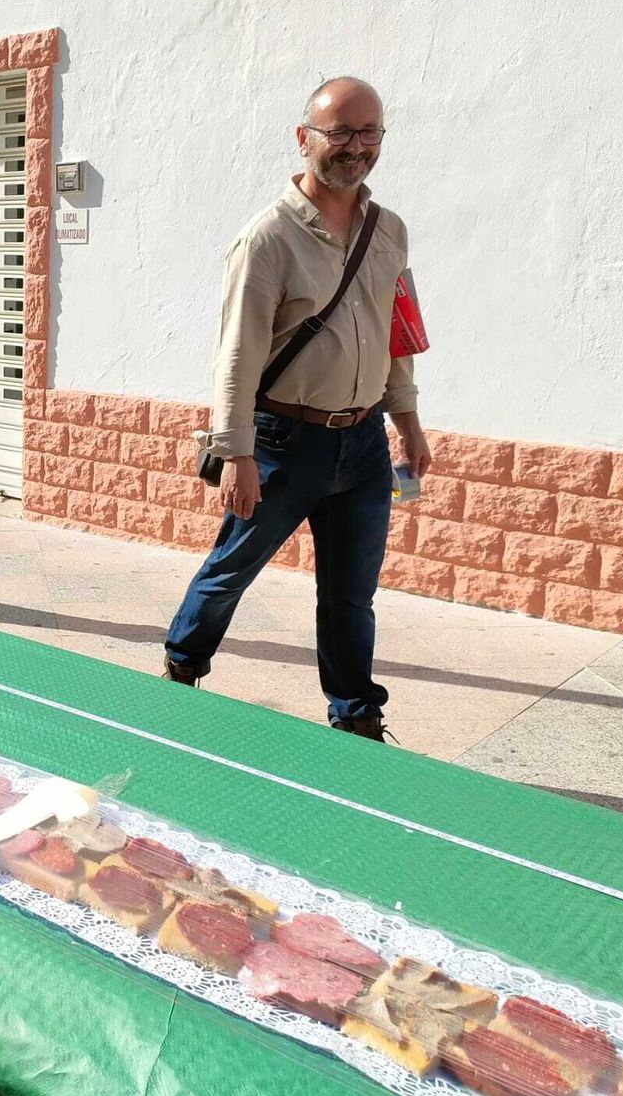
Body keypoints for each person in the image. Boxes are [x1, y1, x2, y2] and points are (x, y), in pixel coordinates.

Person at [162, 77, 432, 741]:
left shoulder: (388, 231)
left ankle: (357, 717)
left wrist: (408, 423)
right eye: (339, 131)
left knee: (350, 595)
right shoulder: (268, 239)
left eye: (369, 132)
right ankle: (181, 667)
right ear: (305, 137)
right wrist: (237, 453)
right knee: (231, 571)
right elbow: (237, 356)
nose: (355, 147)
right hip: (284, 439)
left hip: (363, 441)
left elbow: (397, 335)